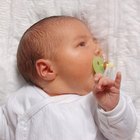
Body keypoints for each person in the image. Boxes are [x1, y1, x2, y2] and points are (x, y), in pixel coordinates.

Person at [0, 16, 137, 140]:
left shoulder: (99, 100)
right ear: (47, 69)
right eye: (82, 44)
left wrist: (112, 108)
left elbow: (124, 135)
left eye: (94, 41)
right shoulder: (24, 100)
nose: (98, 49)